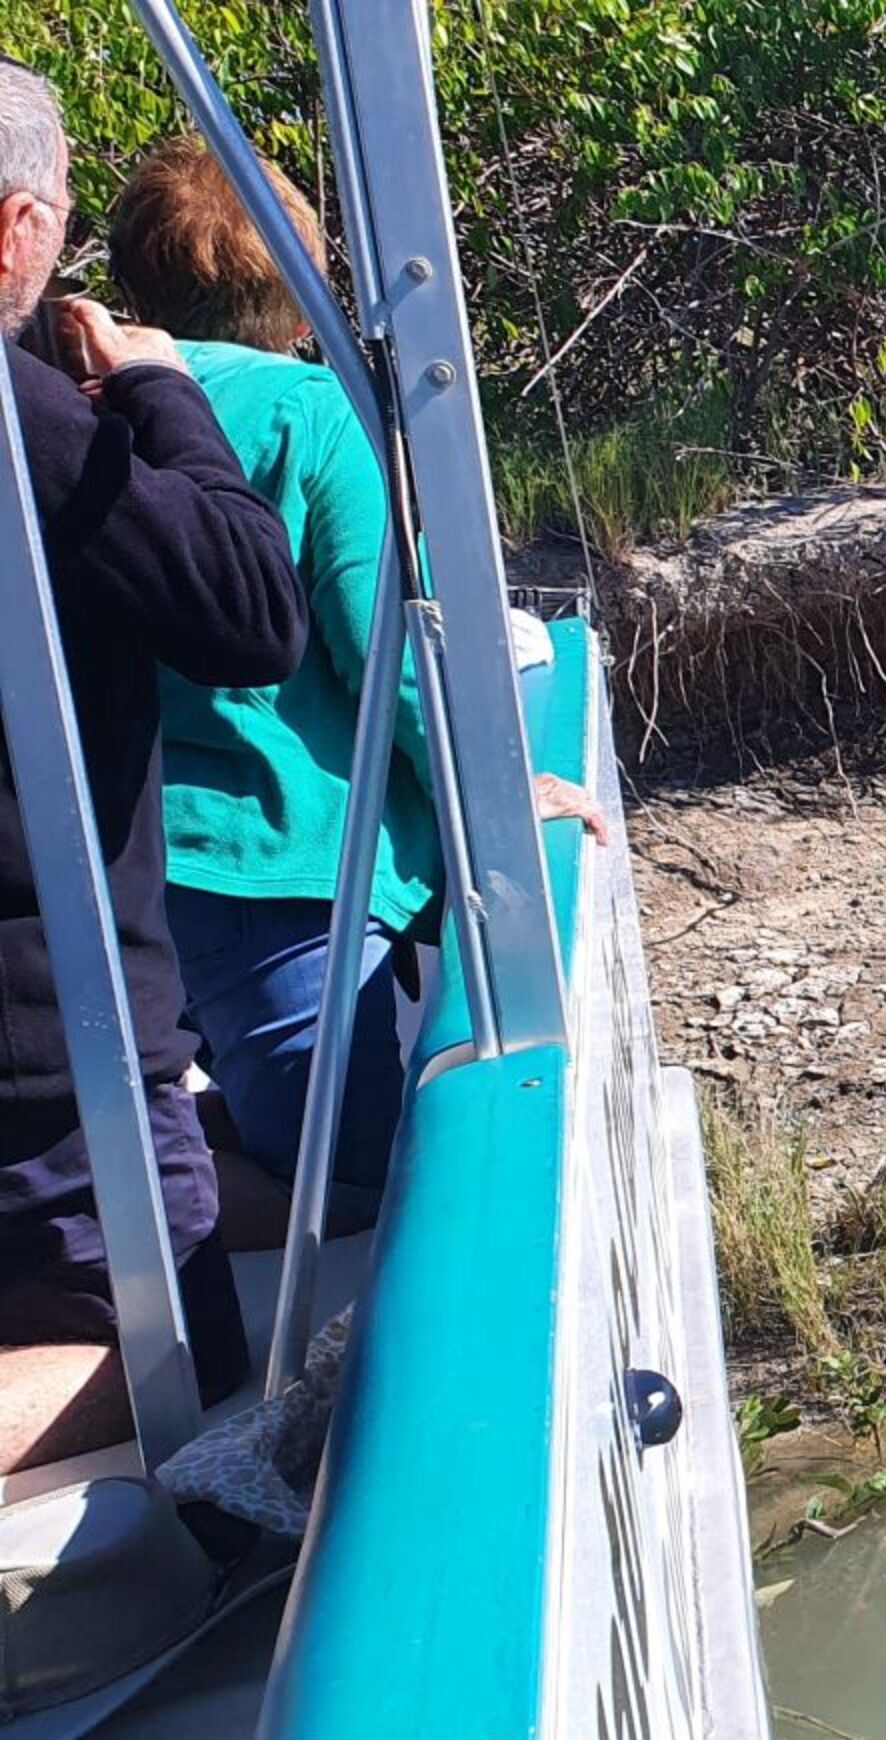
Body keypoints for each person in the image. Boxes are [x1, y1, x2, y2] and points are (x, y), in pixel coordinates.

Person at [0, 61, 311, 1469]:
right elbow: (253, 610)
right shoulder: (35, 428)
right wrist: (161, 396)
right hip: (53, 1051)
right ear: (17, 232)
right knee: (185, 1359)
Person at [110, 138, 436, 1225]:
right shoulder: (311, 410)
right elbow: (381, 645)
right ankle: (162, 1213)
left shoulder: (86, 409)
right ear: (301, 302)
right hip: (285, 874)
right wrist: (491, 791)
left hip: (142, 863)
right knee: (358, 1190)